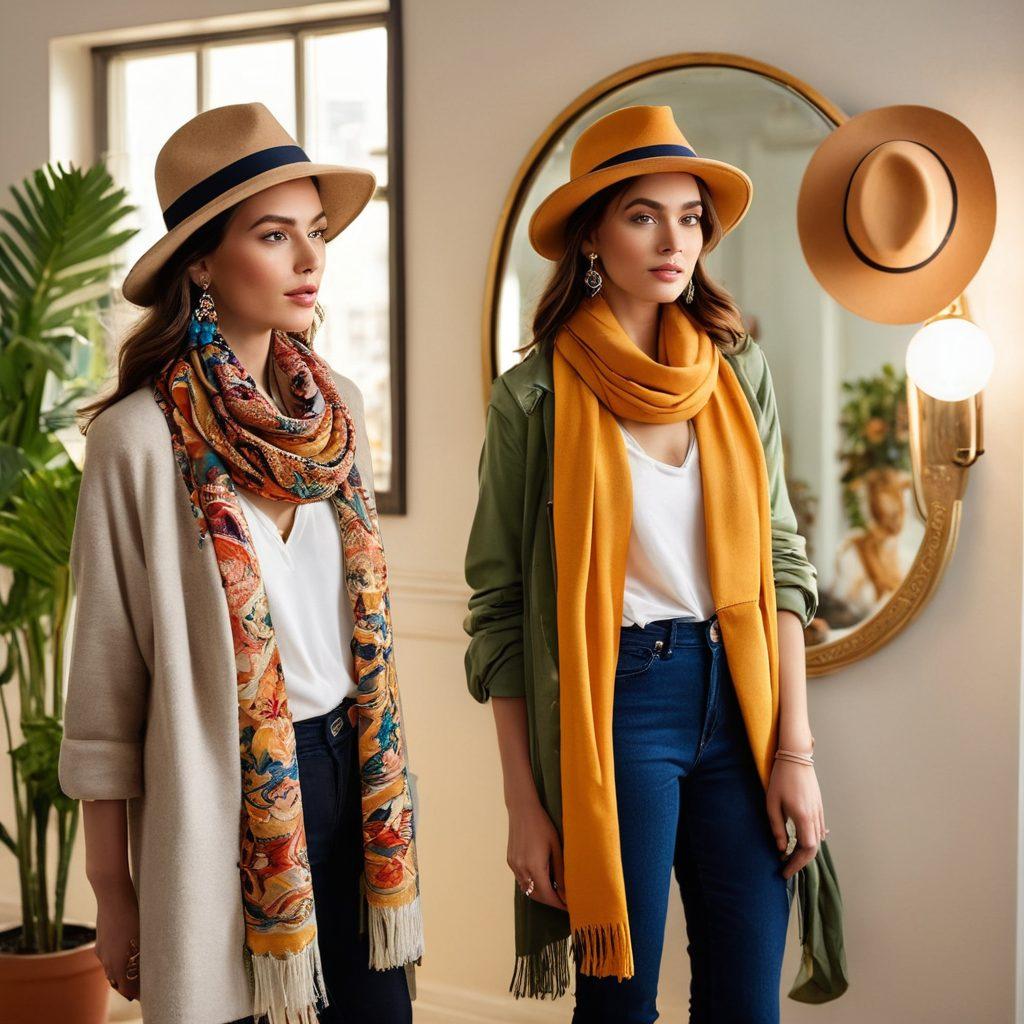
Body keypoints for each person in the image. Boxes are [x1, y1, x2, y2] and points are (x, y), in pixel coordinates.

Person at [57, 102, 422, 1024]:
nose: (309, 260)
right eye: (273, 235)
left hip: (358, 772)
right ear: (203, 263)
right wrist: (112, 886)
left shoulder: (336, 411)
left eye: (316, 233)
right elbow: (105, 690)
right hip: (225, 800)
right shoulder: (137, 442)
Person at [463, 105, 825, 1024]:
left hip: (739, 701)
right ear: (592, 232)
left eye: (691, 216)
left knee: (748, 1003)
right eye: (643, 215)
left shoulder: (738, 376)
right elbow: (499, 609)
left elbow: (782, 563)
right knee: (620, 1006)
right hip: (619, 706)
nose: (676, 239)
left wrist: (795, 752)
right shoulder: (535, 397)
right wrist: (524, 805)